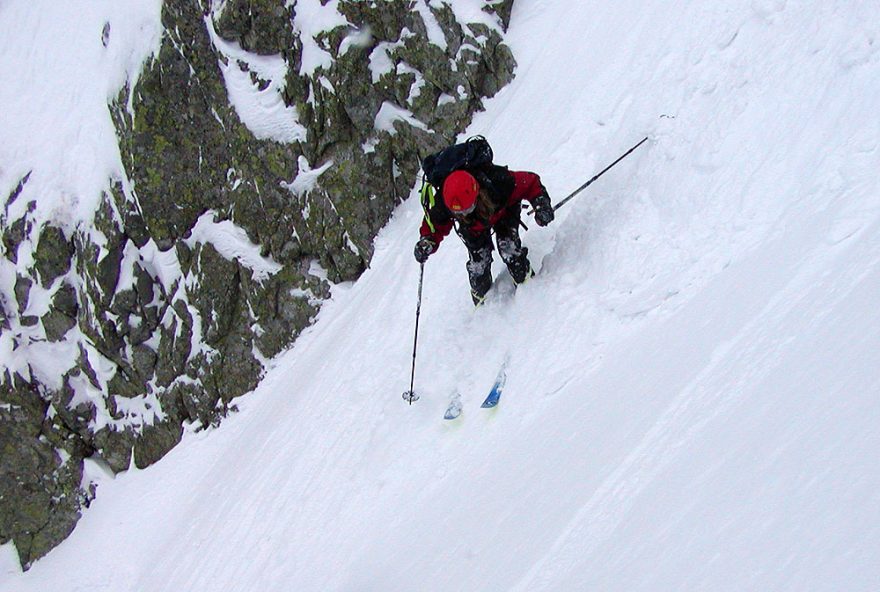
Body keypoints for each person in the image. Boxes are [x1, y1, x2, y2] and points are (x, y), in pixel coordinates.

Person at [413, 155, 555, 305]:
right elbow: (433, 225)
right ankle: (483, 303)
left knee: (509, 249)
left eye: (468, 208)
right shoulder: (446, 202)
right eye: (458, 213)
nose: (464, 214)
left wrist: (541, 204)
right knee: (478, 266)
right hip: (472, 228)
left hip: (504, 211)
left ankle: (528, 286)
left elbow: (530, 183)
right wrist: (427, 241)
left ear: (477, 192)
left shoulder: (498, 181)